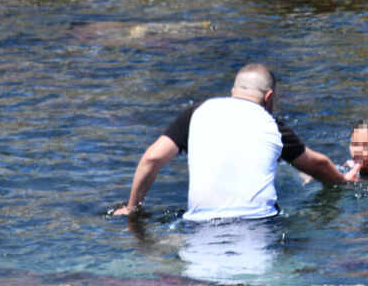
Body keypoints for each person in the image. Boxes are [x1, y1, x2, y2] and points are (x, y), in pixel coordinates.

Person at [112, 63, 344, 219]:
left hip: (200, 224)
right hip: (259, 224)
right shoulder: (271, 123)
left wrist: (132, 208)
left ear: (233, 90)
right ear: (269, 97)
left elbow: (152, 158)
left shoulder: (198, 112)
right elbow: (319, 165)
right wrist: (344, 184)